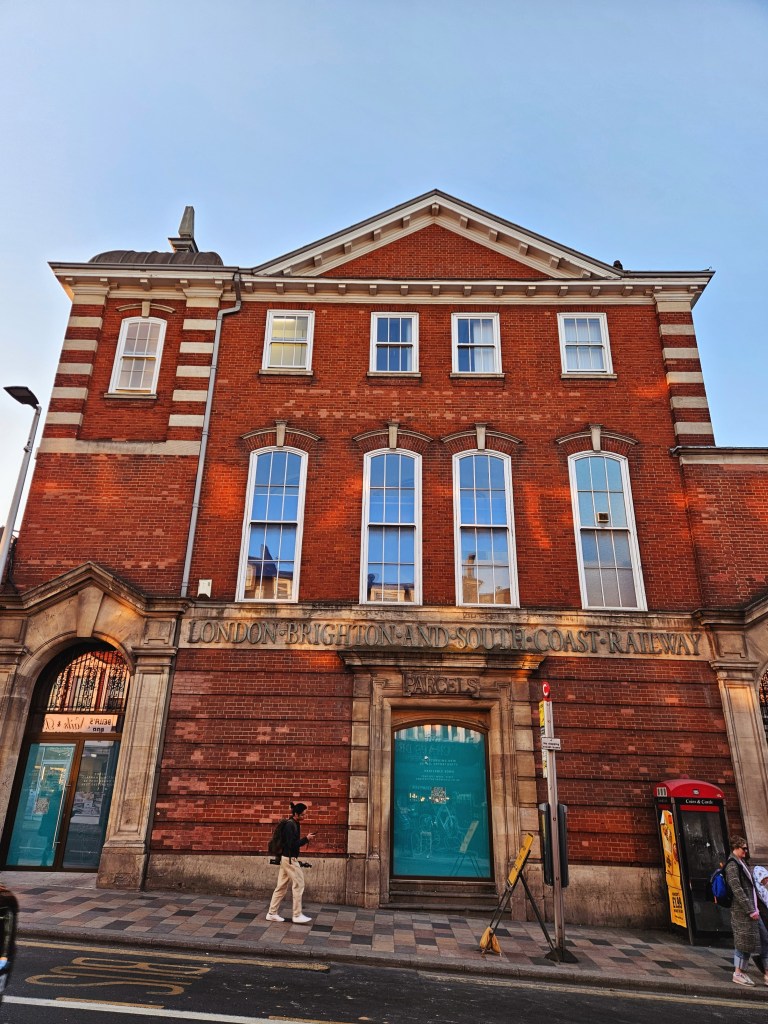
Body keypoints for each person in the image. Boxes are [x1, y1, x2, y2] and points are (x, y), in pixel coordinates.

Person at [266, 802, 316, 925]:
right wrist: (306, 839)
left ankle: (272, 913)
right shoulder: (290, 826)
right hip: (289, 859)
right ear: (296, 814)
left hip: (286, 858)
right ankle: (297, 915)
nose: (305, 816)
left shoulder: (295, 823)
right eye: (303, 814)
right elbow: (291, 845)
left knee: (281, 887)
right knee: (299, 884)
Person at [724, 836, 765, 986]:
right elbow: (737, 890)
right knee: (743, 942)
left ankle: (744, 972)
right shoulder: (732, 864)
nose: (746, 852)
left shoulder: (741, 862)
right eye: (744, 849)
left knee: (749, 941)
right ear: (736, 848)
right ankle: (738, 973)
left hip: (751, 909)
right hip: (742, 911)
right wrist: (750, 910)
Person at [751, 862, 768, 980]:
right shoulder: (755, 891)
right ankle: (766, 971)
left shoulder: (765, 892)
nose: (766, 881)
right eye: (764, 878)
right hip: (761, 919)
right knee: (765, 941)